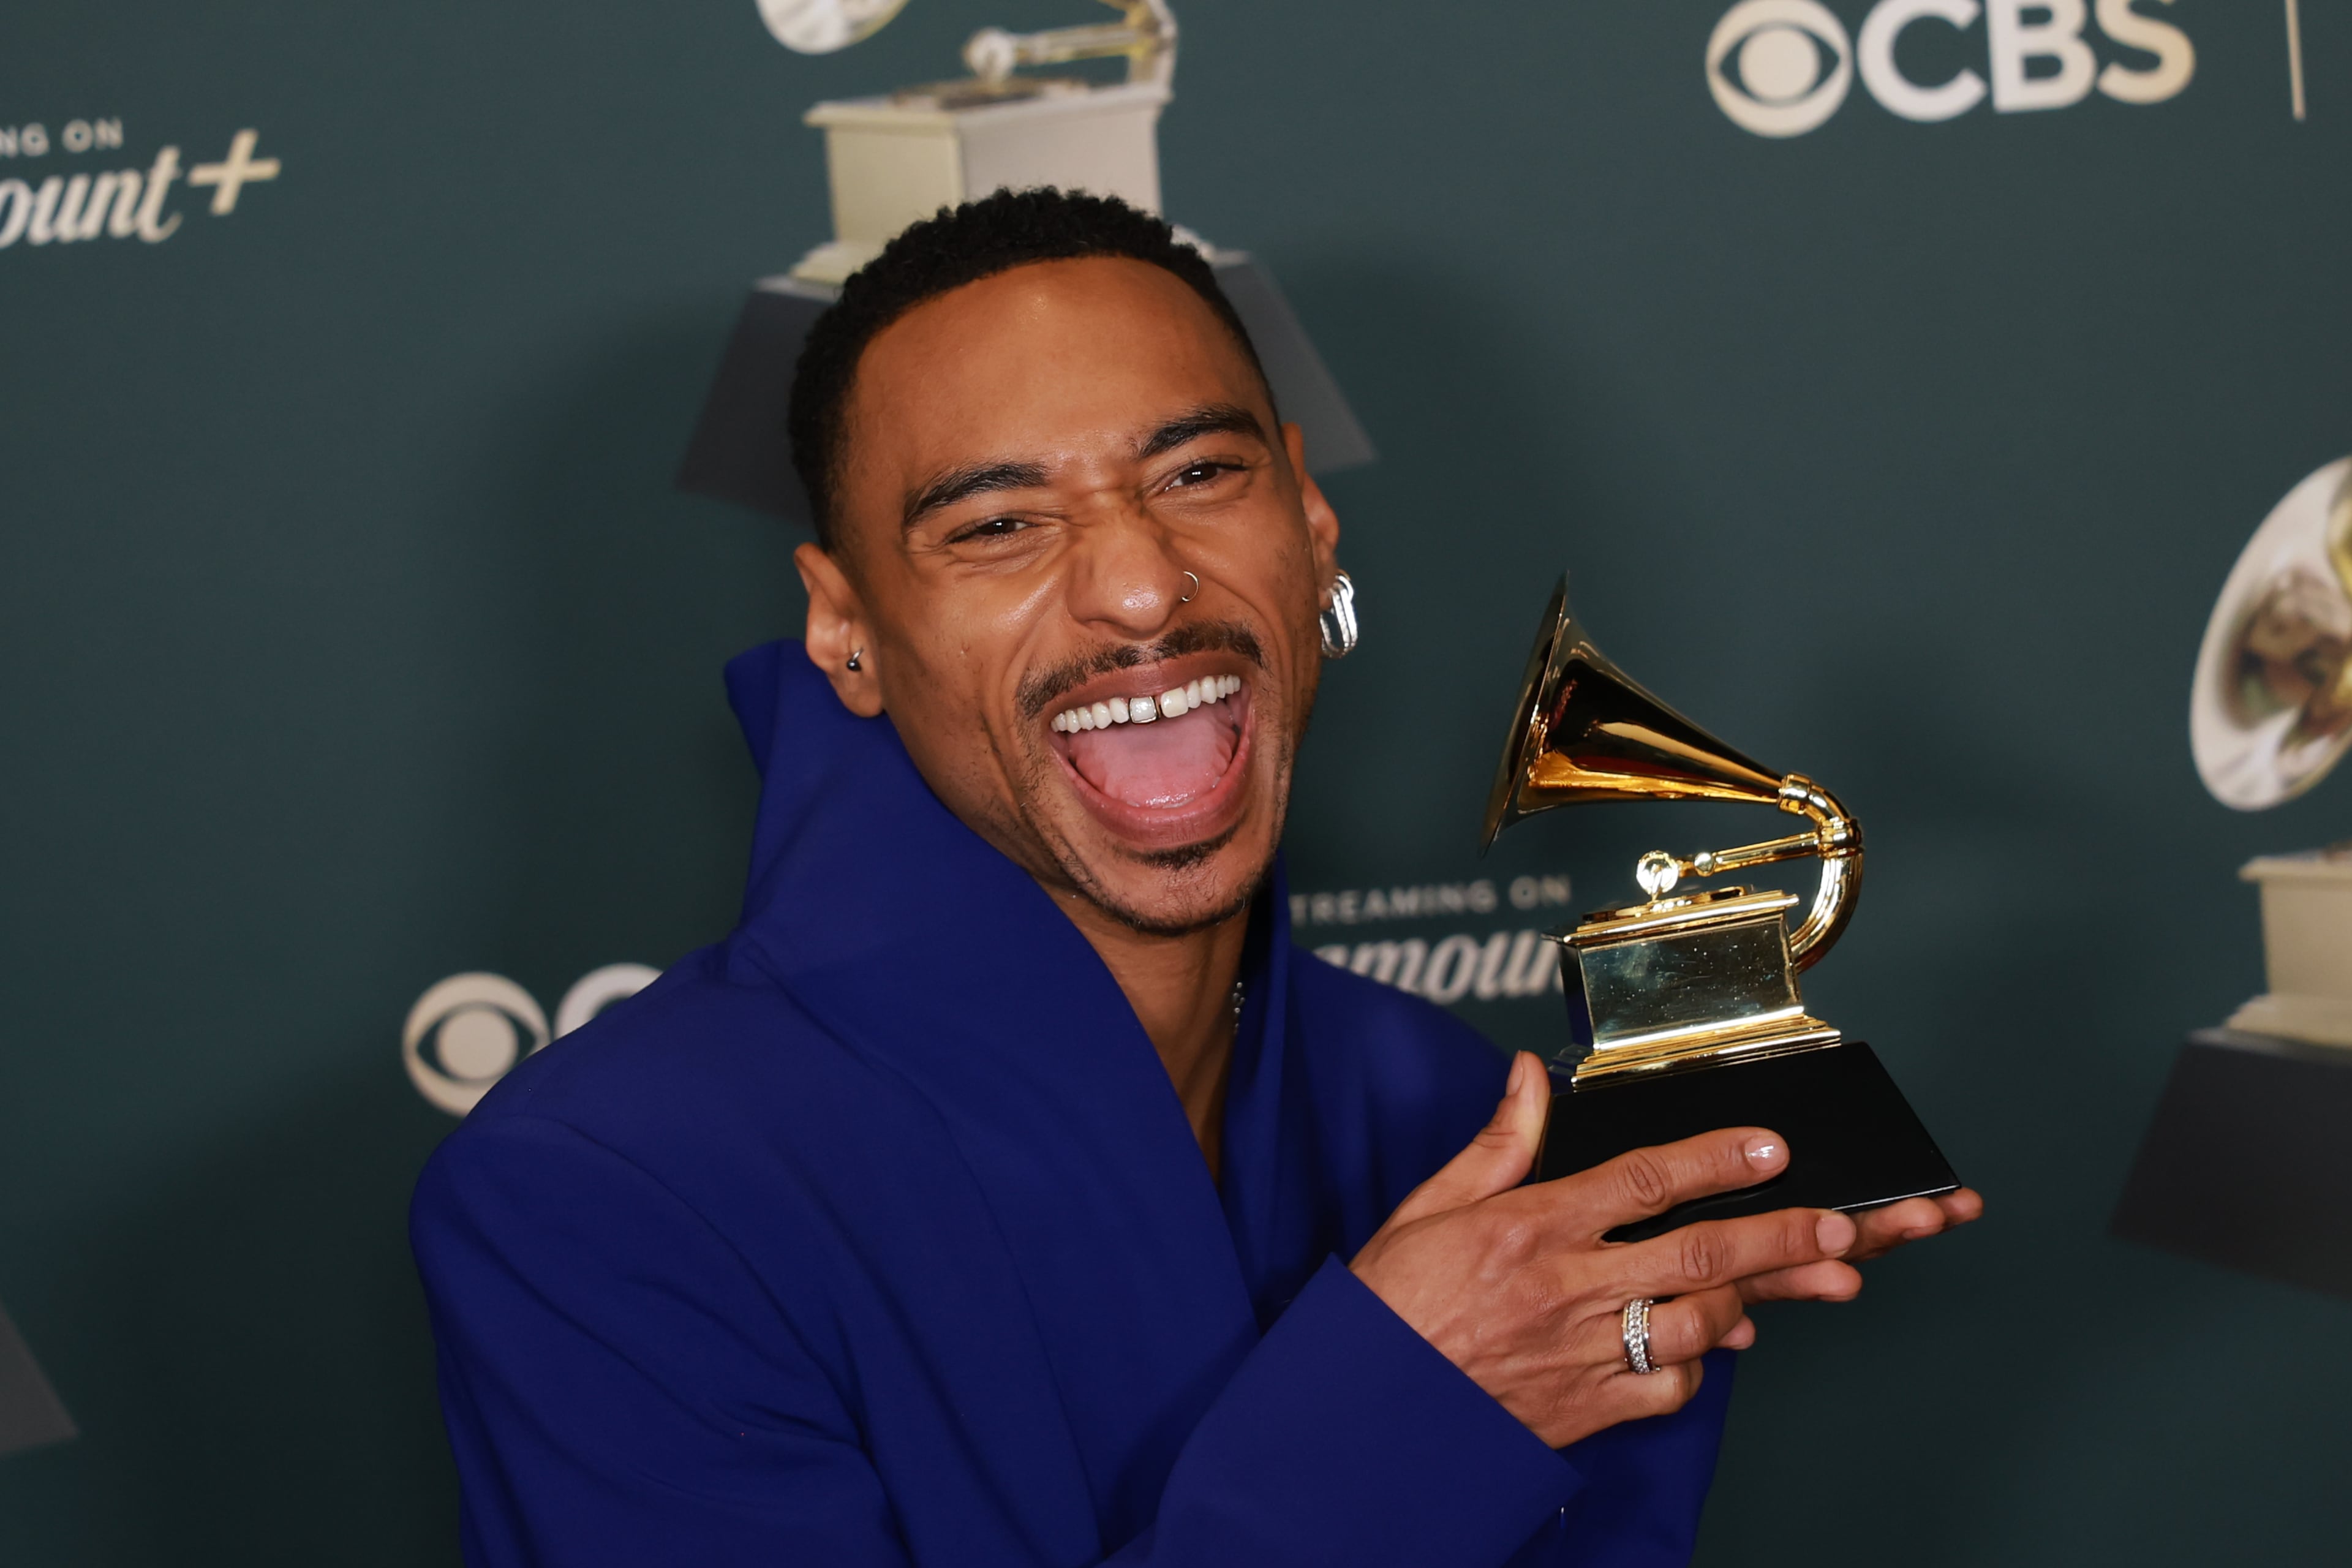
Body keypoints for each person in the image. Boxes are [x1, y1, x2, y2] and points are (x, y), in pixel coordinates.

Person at [410, 189, 1981, 1567]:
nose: (1143, 582)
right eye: (998, 522)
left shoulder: (1465, 1119)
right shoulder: (599, 1194)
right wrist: (1415, 1406)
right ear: (846, 630)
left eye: (1198, 474)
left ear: (1306, 513)